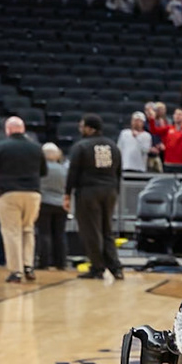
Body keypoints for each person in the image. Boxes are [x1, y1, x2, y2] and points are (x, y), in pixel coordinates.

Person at [0, 116, 45, 284]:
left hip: (9, 192)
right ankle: (28, 266)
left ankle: (16, 271)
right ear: (23, 129)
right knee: (28, 229)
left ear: (8, 130)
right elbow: (43, 171)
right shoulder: (36, 147)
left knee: (11, 231)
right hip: (33, 193)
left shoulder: (1, 147)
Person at [64, 114, 123, 282]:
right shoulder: (113, 146)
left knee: (91, 231)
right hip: (110, 191)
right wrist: (116, 192)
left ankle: (97, 268)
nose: (80, 129)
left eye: (82, 126)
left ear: (90, 128)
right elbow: (119, 172)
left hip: (88, 191)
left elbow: (73, 172)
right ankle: (116, 268)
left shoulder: (81, 146)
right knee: (107, 230)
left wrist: (67, 194)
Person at [37, 142, 68, 271]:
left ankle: (44, 262)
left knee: (44, 233)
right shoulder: (64, 169)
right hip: (61, 204)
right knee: (60, 234)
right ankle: (61, 262)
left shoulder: (40, 169)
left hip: (44, 202)